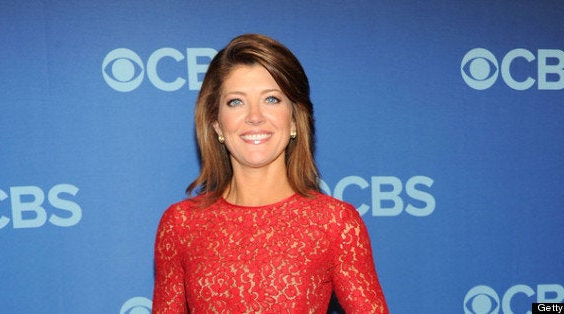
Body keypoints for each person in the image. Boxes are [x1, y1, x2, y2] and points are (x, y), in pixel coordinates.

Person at [153, 33, 388, 313]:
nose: (254, 116)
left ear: (295, 120)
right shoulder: (180, 224)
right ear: (216, 125)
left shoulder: (336, 224)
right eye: (236, 102)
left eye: (272, 99)